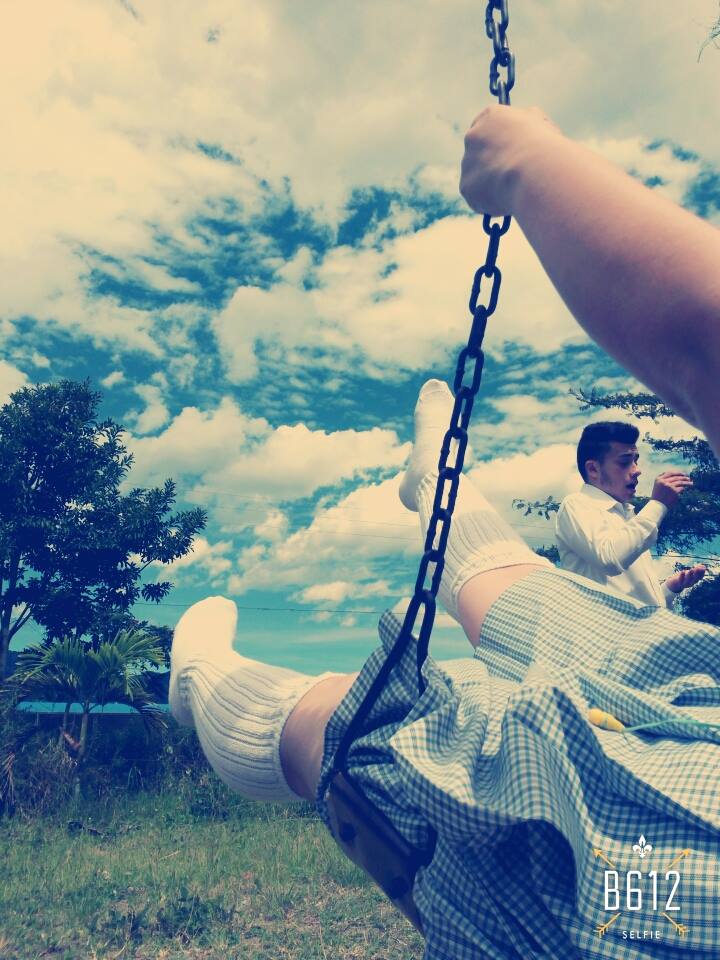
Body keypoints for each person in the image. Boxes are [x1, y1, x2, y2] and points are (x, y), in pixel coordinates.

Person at [168, 108, 720, 955]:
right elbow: (612, 551)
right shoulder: (584, 506)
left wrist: (529, 161)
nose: (636, 471)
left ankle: (212, 689)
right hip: (656, 657)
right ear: (596, 466)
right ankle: (435, 482)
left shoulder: (622, 509)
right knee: (560, 614)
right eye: (626, 462)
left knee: (469, 752)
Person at [555, 421, 705, 607]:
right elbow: (610, 559)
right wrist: (658, 504)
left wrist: (669, 589)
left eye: (636, 460)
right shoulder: (577, 504)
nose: (637, 470)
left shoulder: (628, 516)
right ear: (593, 469)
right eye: (624, 462)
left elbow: (636, 604)